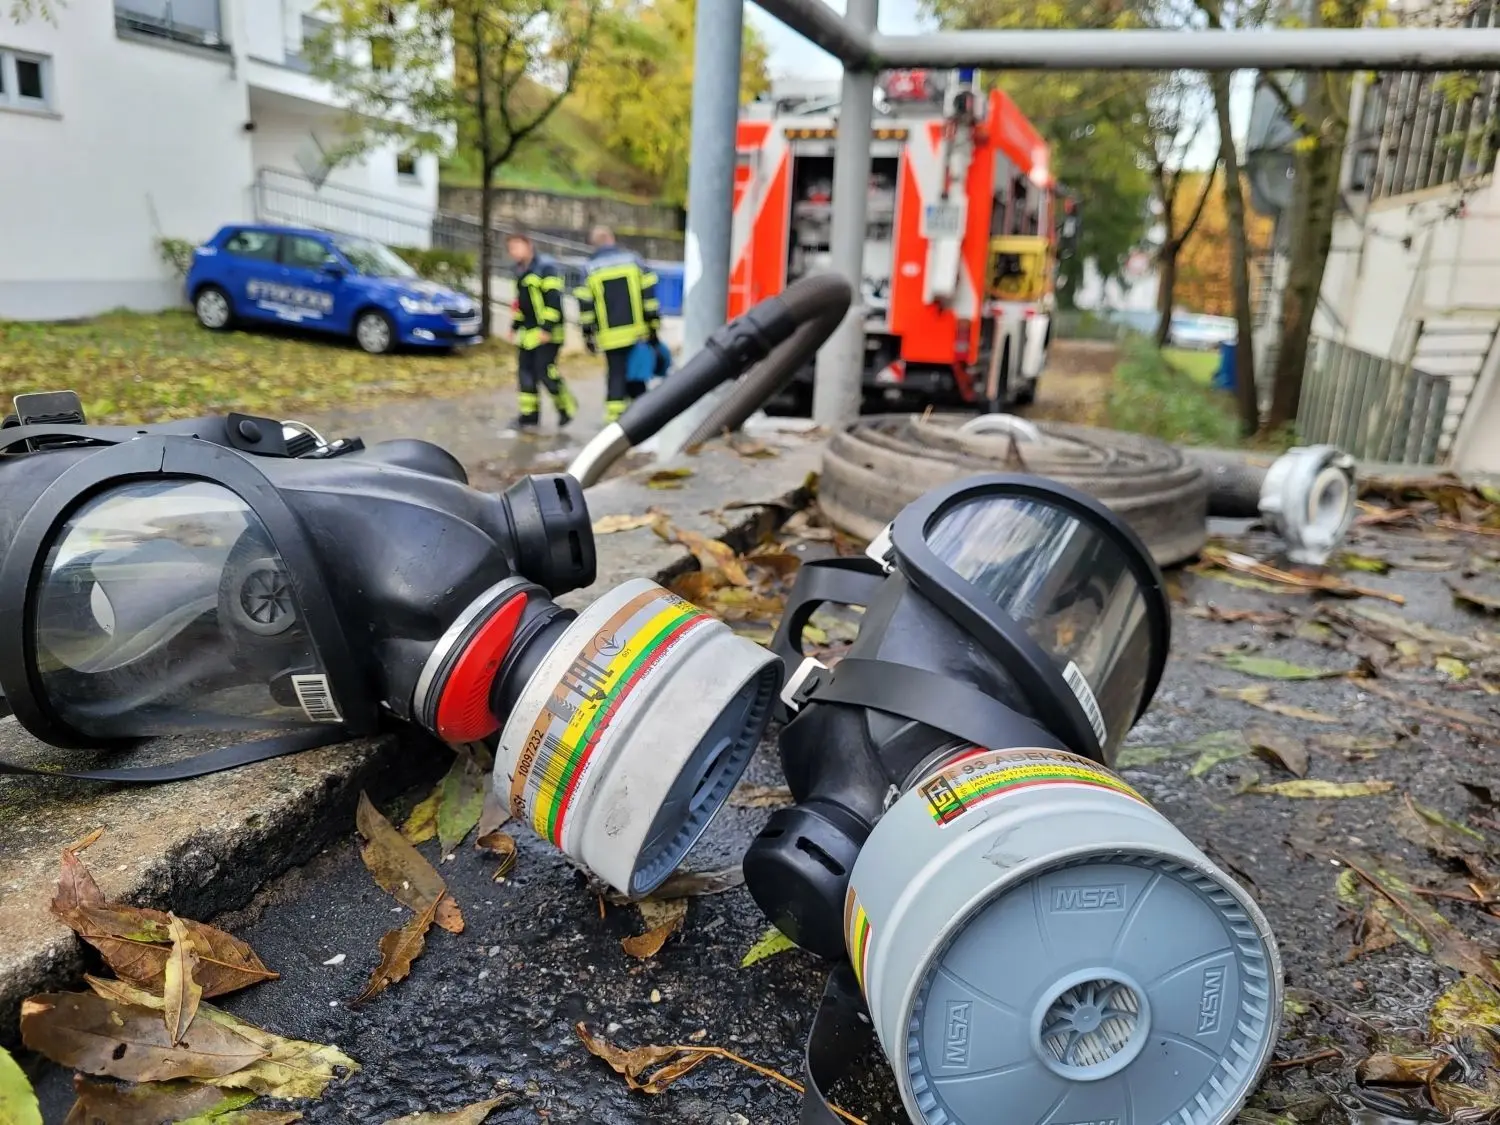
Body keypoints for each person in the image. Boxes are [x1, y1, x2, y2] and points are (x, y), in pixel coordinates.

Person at [574, 225, 660, 424]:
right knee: (638, 376)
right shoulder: (633, 260)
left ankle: (615, 423)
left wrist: (588, 335)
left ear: (593, 244)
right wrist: (653, 326)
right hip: (637, 333)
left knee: (616, 376)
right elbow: (649, 295)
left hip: (610, 336)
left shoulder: (589, 268)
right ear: (612, 239)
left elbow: (585, 305)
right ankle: (642, 421)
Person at [507, 231, 578, 430]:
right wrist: (514, 327)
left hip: (548, 333)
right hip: (528, 334)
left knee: (545, 372)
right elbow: (522, 304)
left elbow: (554, 299)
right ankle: (529, 416)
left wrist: (546, 328)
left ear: (528, 245)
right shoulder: (520, 271)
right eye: (510, 248)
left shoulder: (546, 267)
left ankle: (566, 407)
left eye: (516, 246)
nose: (513, 252)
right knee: (525, 375)